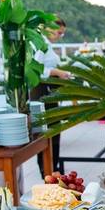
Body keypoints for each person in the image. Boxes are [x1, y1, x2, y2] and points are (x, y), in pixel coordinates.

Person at [32, 18, 71, 176]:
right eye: (59, 32)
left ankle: (52, 167)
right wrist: (56, 72)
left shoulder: (45, 43)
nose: (60, 36)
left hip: (48, 92)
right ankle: (47, 169)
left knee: (54, 129)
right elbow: (35, 69)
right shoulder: (41, 44)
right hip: (42, 92)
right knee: (48, 130)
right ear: (50, 28)